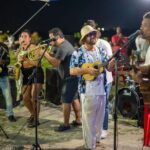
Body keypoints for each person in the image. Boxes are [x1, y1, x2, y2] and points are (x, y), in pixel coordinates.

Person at [70, 25, 114, 150]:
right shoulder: (77, 53)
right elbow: (72, 70)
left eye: (94, 34)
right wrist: (87, 70)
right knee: (89, 121)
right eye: (90, 34)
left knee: (99, 119)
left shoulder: (101, 50)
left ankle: (97, 141)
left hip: (102, 90)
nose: (93, 36)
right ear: (84, 38)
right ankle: (90, 145)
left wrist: (111, 64)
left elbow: (108, 67)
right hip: (87, 91)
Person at [44, 27, 81, 131]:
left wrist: (45, 54)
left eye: (51, 38)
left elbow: (55, 63)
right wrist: (50, 51)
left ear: (58, 37)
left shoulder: (63, 47)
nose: (50, 41)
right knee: (74, 99)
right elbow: (56, 55)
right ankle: (78, 120)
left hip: (69, 78)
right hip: (73, 77)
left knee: (65, 101)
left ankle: (66, 124)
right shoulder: (64, 44)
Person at [85, 19, 113, 139]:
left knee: (104, 105)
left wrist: (108, 63)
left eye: (92, 30)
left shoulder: (104, 44)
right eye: (87, 30)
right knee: (93, 106)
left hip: (105, 79)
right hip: (91, 81)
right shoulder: (84, 46)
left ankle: (104, 128)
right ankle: (94, 129)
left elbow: (111, 60)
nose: (90, 33)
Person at [17, 29, 44, 128]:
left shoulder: (33, 48)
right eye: (21, 36)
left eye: (25, 36)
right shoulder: (20, 50)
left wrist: (26, 59)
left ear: (29, 38)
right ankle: (33, 114)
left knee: (34, 96)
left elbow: (37, 63)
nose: (23, 38)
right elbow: (18, 64)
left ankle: (36, 120)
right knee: (25, 98)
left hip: (36, 72)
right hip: (26, 74)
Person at [0, 42, 16, 122]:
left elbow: (8, 60)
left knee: (7, 95)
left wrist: (2, 61)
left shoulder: (3, 46)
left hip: (3, 74)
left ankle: (10, 114)